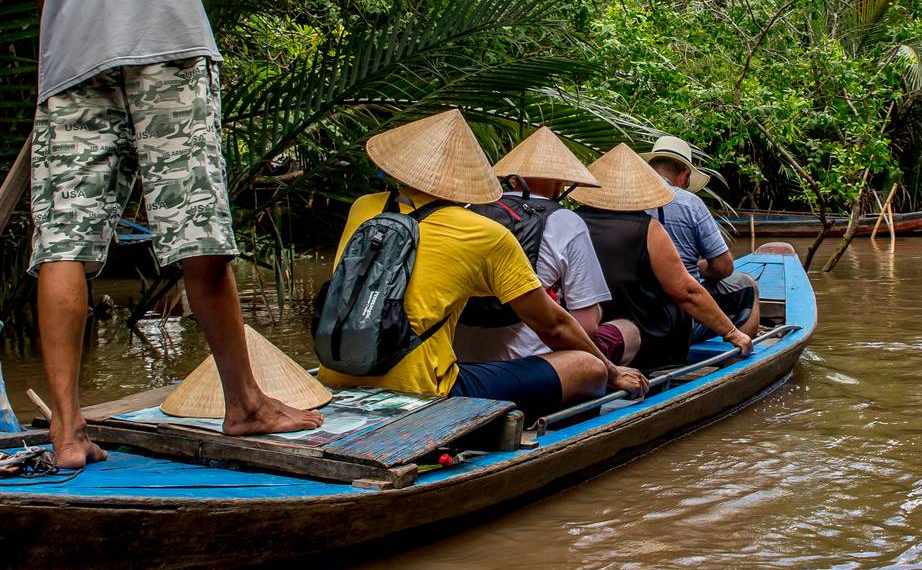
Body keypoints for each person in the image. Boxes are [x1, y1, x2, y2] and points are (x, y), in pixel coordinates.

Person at [0, 0, 324, 467]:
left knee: (64, 240)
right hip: (165, 40)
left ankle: (68, 429)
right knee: (196, 223)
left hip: (72, 61)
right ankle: (247, 404)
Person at [319, 110, 649, 419]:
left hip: (337, 369)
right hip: (425, 390)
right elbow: (555, 326)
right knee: (586, 365)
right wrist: (612, 371)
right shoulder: (482, 233)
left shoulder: (365, 208)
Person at [453, 126, 640, 367]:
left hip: (459, 360)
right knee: (627, 330)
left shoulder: (469, 209)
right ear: (561, 181)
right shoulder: (565, 221)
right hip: (530, 363)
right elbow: (586, 326)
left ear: (512, 177)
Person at [577, 144, 757, 370]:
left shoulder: (573, 221)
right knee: (747, 286)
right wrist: (732, 333)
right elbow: (688, 290)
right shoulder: (648, 227)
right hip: (655, 332)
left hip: (605, 322)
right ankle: (736, 364)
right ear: (683, 174)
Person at [644, 135, 762, 341]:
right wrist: (696, 268)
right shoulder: (690, 203)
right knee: (748, 285)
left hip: (636, 307)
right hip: (680, 315)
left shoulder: (626, 201)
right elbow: (723, 267)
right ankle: (738, 355)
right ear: (684, 174)